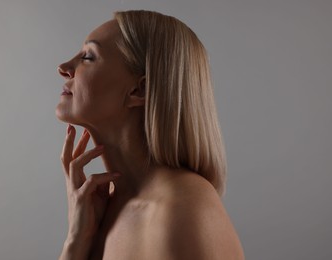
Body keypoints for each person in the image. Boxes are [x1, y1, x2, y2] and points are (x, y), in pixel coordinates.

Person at [56, 10, 244, 260]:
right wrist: (75, 241)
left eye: (88, 57)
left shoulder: (185, 210)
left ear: (139, 89)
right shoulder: (100, 211)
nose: (64, 68)